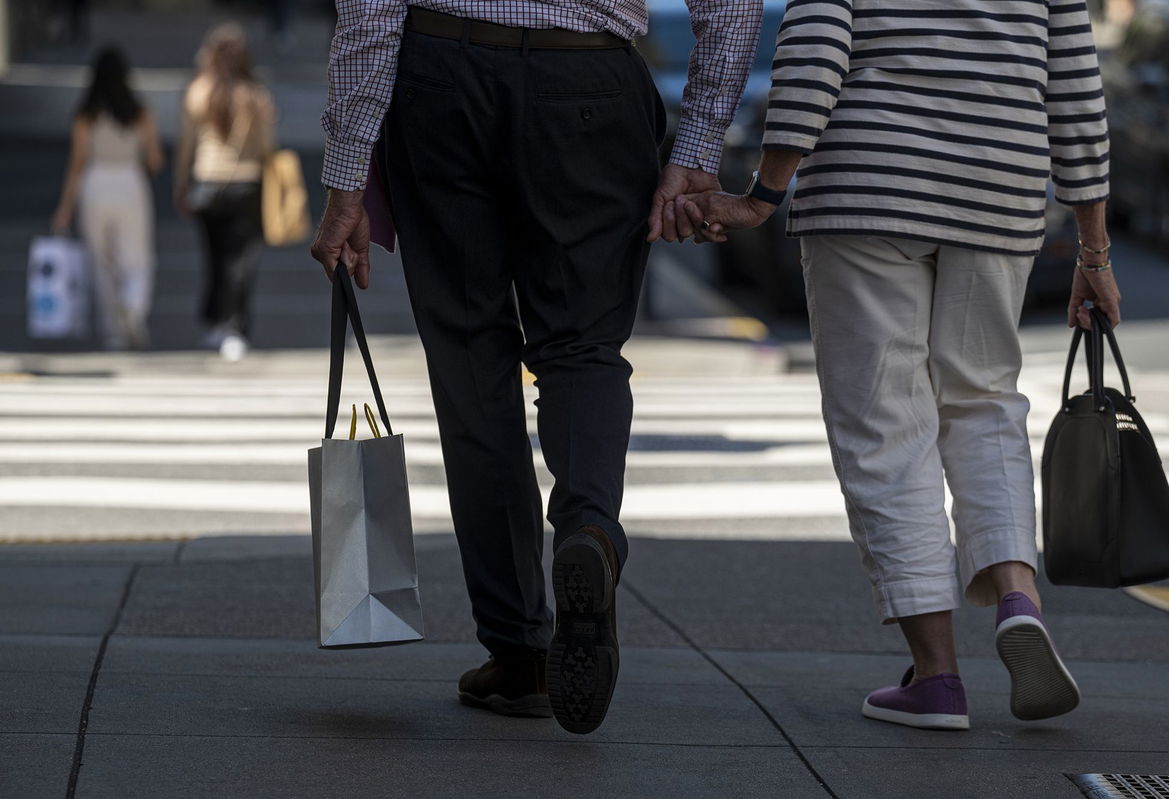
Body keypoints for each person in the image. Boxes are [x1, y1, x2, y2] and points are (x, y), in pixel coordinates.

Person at [311, 0, 763, 734]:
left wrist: (346, 171)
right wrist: (699, 145)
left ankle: (520, 649)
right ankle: (589, 528)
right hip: (587, 75)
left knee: (471, 364)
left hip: (442, 73)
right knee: (582, 347)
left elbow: (372, 7)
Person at [680, 0, 1121, 729]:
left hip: (866, 183)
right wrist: (1093, 246)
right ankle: (1018, 597)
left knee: (884, 423)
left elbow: (818, 45)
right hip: (999, 189)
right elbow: (1075, 82)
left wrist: (765, 191)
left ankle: (937, 678)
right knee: (984, 401)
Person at [175, 23, 277, 362]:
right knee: (241, 262)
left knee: (214, 258)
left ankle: (214, 323)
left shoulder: (198, 91)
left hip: (207, 182)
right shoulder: (255, 94)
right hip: (247, 183)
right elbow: (267, 147)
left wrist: (181, 185)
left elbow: (187, 146)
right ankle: (234, 327)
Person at [53, 46, 162, 351]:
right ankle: (133, 306)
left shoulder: (86, 113)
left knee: (101, 260)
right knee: (136, 256)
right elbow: (154, 160)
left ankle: (114, 328)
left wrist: (64, 207)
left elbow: (77, 163)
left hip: (95, 183)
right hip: (129, 181)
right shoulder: (140, 111)